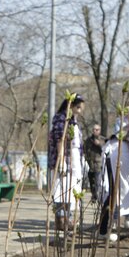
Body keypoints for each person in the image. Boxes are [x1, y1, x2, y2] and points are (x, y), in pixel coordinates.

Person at [97, 100, 129, 251]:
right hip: (120, 155)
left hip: (116, 155)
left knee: (114, 193)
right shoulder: (128, 124)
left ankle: (102, 230)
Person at [49, 94, 86, 231]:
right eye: (78, 107)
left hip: (74, 161)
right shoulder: (62, 119)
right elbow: (60, 140)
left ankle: (68, 218)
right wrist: (61, 161)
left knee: (71, 191)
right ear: (70, 105)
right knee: (61, 190)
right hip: (65, 160)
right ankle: (61, 220)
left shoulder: (73, 121)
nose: (80, 110)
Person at [84, 123, 105, 200]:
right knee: (91, 182)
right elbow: (85, 149)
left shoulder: (103, 140)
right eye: (93, 129)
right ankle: (93, 196)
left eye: (97, 130)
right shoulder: (88, 140)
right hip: (90, 165)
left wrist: (99, 144)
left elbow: (105, 150)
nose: (95, 131)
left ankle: (98, 196)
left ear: (99, 130)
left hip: (99, 165)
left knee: (97, 182)